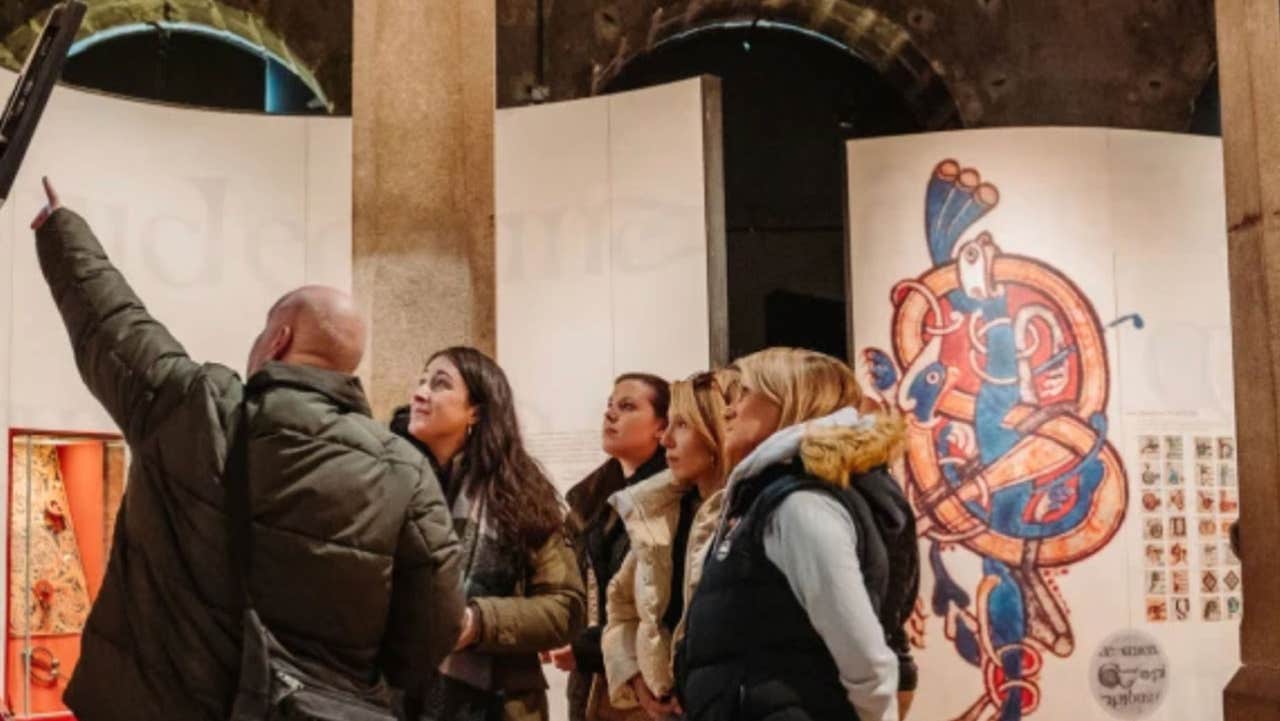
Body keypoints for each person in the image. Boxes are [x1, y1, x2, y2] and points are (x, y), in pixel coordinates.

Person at [29, 179, 464, 721]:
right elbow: (438, 620)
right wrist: (359, 685)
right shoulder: (404, 471)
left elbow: (112, 324)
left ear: (278, 338)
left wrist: (58, 226)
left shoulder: (196, 408)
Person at [677, 347, 917, 721]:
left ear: (792, 400)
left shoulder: (799, 504)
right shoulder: (766, 497)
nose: (728, 409)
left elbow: (867, 658)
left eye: (745, 393)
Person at [389, 346, 586, 721]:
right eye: (421, 381)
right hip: (395, 699)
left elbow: (566, 608)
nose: (419, 392)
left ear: (475, 411)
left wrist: (477, 623)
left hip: (497, 707)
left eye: (439, 383)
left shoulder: (520, 494)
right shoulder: (389, 481)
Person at [602, 369, 736, 720]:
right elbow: (622, 608)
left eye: (683, 425)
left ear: (715, 432)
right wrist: (640, 682)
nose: (666, 441)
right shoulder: (661, 511)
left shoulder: (750, 514)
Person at [547, 373, 671, 720]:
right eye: (610, 406)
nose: (610, 415)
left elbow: (657, 608)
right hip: (594, 681)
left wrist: (588, 647)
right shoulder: (594, 503)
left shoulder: (667, 502)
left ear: (661, 426)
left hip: (644, 688)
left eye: (627, 407)